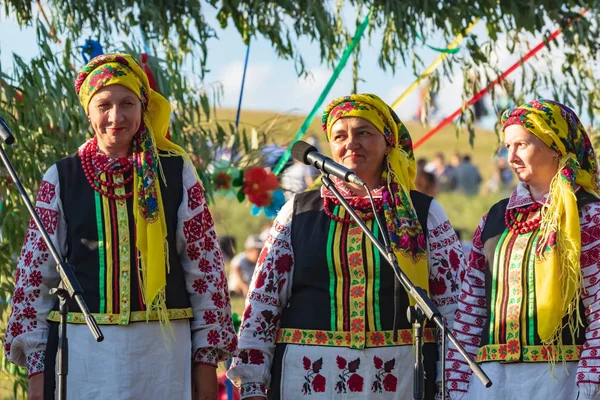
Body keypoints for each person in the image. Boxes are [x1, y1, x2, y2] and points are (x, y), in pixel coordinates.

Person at [4, 53, 237, 399]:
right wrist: (38, 373)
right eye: (104, 105)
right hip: (83, 353)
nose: (116, 116)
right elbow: (35, 277)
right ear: (88, 112)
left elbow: (205, 271)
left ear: (143, 107)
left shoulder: (175, 172)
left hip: (162, 349)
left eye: (127, 103)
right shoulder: (62, 177)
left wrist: (205, 362)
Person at [227, 94, 467, 399]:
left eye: (363, 132)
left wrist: (453, 387)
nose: (351, 143)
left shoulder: (425, 214)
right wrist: (252, 384)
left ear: (389, 142)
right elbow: (263, 301)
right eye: (340, 136)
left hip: (402, 379)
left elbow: (454, 308)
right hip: (307, 380)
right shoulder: (298, 212)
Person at [445, 99, 600, 399]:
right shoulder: (495, 218)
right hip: (491, 380)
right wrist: (457, 381)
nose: (511, 156)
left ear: (556, 146)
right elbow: (471, 307)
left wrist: (591, 379)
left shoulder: (589, 215)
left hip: (560, 379)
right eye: (507, 146)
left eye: (523, 145)